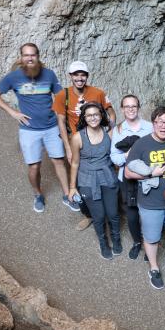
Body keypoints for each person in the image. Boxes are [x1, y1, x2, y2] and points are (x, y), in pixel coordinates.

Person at [0, 43, 80, 214]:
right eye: (26, 55)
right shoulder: (13, 77)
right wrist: (12, 112)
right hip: (29, 130)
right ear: (21, 57)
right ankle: (38, 195)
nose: (29, 58)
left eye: (33, 55)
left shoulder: (49, 74)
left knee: (59, 161)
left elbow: (61, 97)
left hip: (52, 127)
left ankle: (67, 195)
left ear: (38, 56)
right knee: (34, 167)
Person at [125, 106, 165, 290]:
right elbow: (128, 173)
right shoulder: (142, 144)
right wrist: (152, 174)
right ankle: (153, 267)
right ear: (153, 124)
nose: (163, 125)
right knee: (151, 237)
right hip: (150, 203)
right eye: (159, 121)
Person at [52, 61, 116, 231]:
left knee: (105, 173)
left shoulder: (98, 93)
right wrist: (67, 147)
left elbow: (110, 112)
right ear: (70, 76)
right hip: (77, 142)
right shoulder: (62, 95)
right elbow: (61, 121)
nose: (79, 78)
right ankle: (89, 215)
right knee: (81, 181)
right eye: (76, 75)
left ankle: (107, 211)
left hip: (97, 139)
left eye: (82, 75)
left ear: (87, 76)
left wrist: (109, 132)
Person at [68, 102, 120, 260]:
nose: (93, 118)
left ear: (101, 115)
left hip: (107, 176)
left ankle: (116, 238)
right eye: (89, 115)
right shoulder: (78, 138)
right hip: (87, 179)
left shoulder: (109, 133)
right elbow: (75, 163)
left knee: (113, 213)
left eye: (96, 114)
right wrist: (72, 187)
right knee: (98, 216)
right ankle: (103, 243)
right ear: (84, 117)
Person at [110, 95, 153, 260]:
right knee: (132, 213)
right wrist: (127, 155)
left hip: (148, 177)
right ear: (122, 109)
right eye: (127, 106)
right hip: (126, 178)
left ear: (138, 107)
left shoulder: (150, 127)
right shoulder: (118, 130)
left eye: (133, 106)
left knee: (149, 212)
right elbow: (114, 157)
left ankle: (151, 244)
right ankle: (137, 242)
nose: (130, 109)